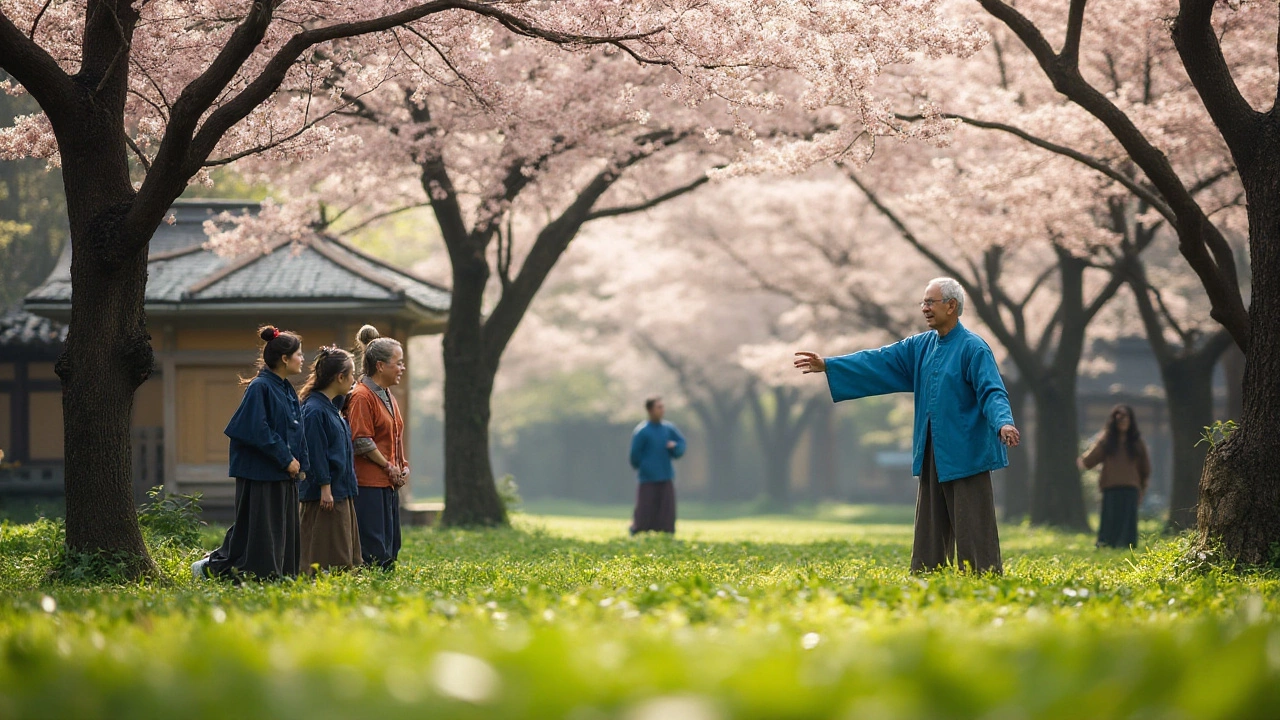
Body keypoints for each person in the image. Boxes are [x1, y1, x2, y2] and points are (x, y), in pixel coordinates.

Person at [794, 278, 1019, 574]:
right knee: (930, 519)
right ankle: (926, 574)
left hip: (967, 451)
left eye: (930, 302)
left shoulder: (974, 348)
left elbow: (992, 390)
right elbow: (879, 361)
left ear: (951, 306)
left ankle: (983, 575)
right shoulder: (919, 346)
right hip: (931, 449)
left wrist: (1003, 421)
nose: (924, 308)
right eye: (923, 302)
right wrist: (831, 365)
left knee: (972, 519)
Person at [194, 326, 308, 581]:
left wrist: (301, 465)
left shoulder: (286, 388)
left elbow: (296, 431)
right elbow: (256, 429)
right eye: (299, 354)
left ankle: (281, 575)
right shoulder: (260, 387)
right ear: (284, 359)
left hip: (283, 472)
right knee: (259, 530)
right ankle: (214, 570)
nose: (303, 359)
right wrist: (285, 458)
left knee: (282, 528)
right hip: (260, 472)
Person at [346, 325, 408, 570]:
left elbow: (395, 436)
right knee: (374, 549)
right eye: (398, 363)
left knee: (391, 546)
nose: (402, 368)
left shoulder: (388, 395)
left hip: (389, 482)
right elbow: (361, 440)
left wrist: (403, 467)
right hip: (369, 483)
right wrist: (388, 466)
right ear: (380, 366)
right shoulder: (362, 396)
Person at [298, 346, 363, 573]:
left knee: (341, 542)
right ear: (340, 377)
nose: (354, 379)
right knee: (320, 543)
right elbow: (315, 452)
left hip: (340, 487)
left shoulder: (332, 407)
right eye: (352, 374)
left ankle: (341, 572)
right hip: (324, 492)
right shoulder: (314, 410)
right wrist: (325, 486)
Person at [1079, 404, 1150, 549]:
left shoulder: (1137, 442)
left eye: (1125, 417)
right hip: (1111, 487)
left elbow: (1145, 468)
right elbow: (1088, 461)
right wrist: (1100, 440)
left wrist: (1142, 488)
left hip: (1131, 488)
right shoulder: (1107, 441)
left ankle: (1127, 546)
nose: (1122, 421)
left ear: (1131, 420)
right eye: (1119, 418)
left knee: (1127, 521)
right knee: (1110, 520)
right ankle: (1106, 545)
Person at [628, 396, 687, 535]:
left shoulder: (668, 429)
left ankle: (666, 532)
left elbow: (681, 443)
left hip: (665, 475)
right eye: (658, 407)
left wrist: (675, 447)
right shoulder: (642, 431)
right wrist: (643, 467)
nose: (662, 410)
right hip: (647, 477)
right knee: (645, 507)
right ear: (650, 410)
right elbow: (634, 454)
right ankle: (638, 529)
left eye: (663, 407)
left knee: (666, 509)